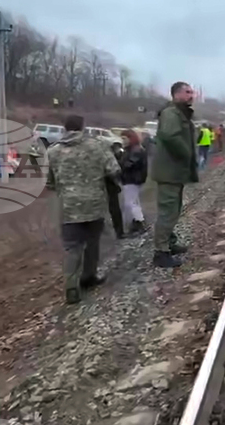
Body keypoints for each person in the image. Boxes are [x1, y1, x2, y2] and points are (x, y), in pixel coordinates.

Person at [46, 114, 121, 305]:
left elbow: (49, 182)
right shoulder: (97, 146)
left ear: (64, 128)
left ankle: (72, 287)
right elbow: (114, 169)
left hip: (69, 208)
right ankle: (89, 276)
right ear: (83, 127)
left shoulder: (52, 151)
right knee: (93, 242)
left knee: (73, 248)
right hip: (95, 205)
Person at [151, 81, 199, 268]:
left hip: (174, 172)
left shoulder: (179, 113)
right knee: (167, 212)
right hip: (168, 172)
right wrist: (187, 153)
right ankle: (160, 252)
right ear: (176, 94)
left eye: (191, 92)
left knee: (172, 210)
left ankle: (169, 242)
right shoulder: (171, 113)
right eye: (187, 92)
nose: (191, 95)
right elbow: (170, 136)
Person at [119, 129, 148, 236]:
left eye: (124, 138)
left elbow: (128, 165)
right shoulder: (133, 149)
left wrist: (119, 161)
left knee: (130, 203)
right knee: (134, 202)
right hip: (133, 179)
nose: (122, 141)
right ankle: (136, 223)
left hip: (132, 179)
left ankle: (139, 223)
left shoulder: (135, 151)